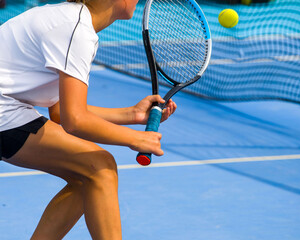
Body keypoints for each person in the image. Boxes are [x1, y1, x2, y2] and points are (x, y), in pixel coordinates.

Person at [0, 0, 177, 239]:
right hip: (5, 113)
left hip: (8, 109)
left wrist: (132, 115)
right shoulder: (75, 30)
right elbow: (74, 121)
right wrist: (136, 139)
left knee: (85, 180)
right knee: (100, 167)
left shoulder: (70, 22)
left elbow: (61, 111)